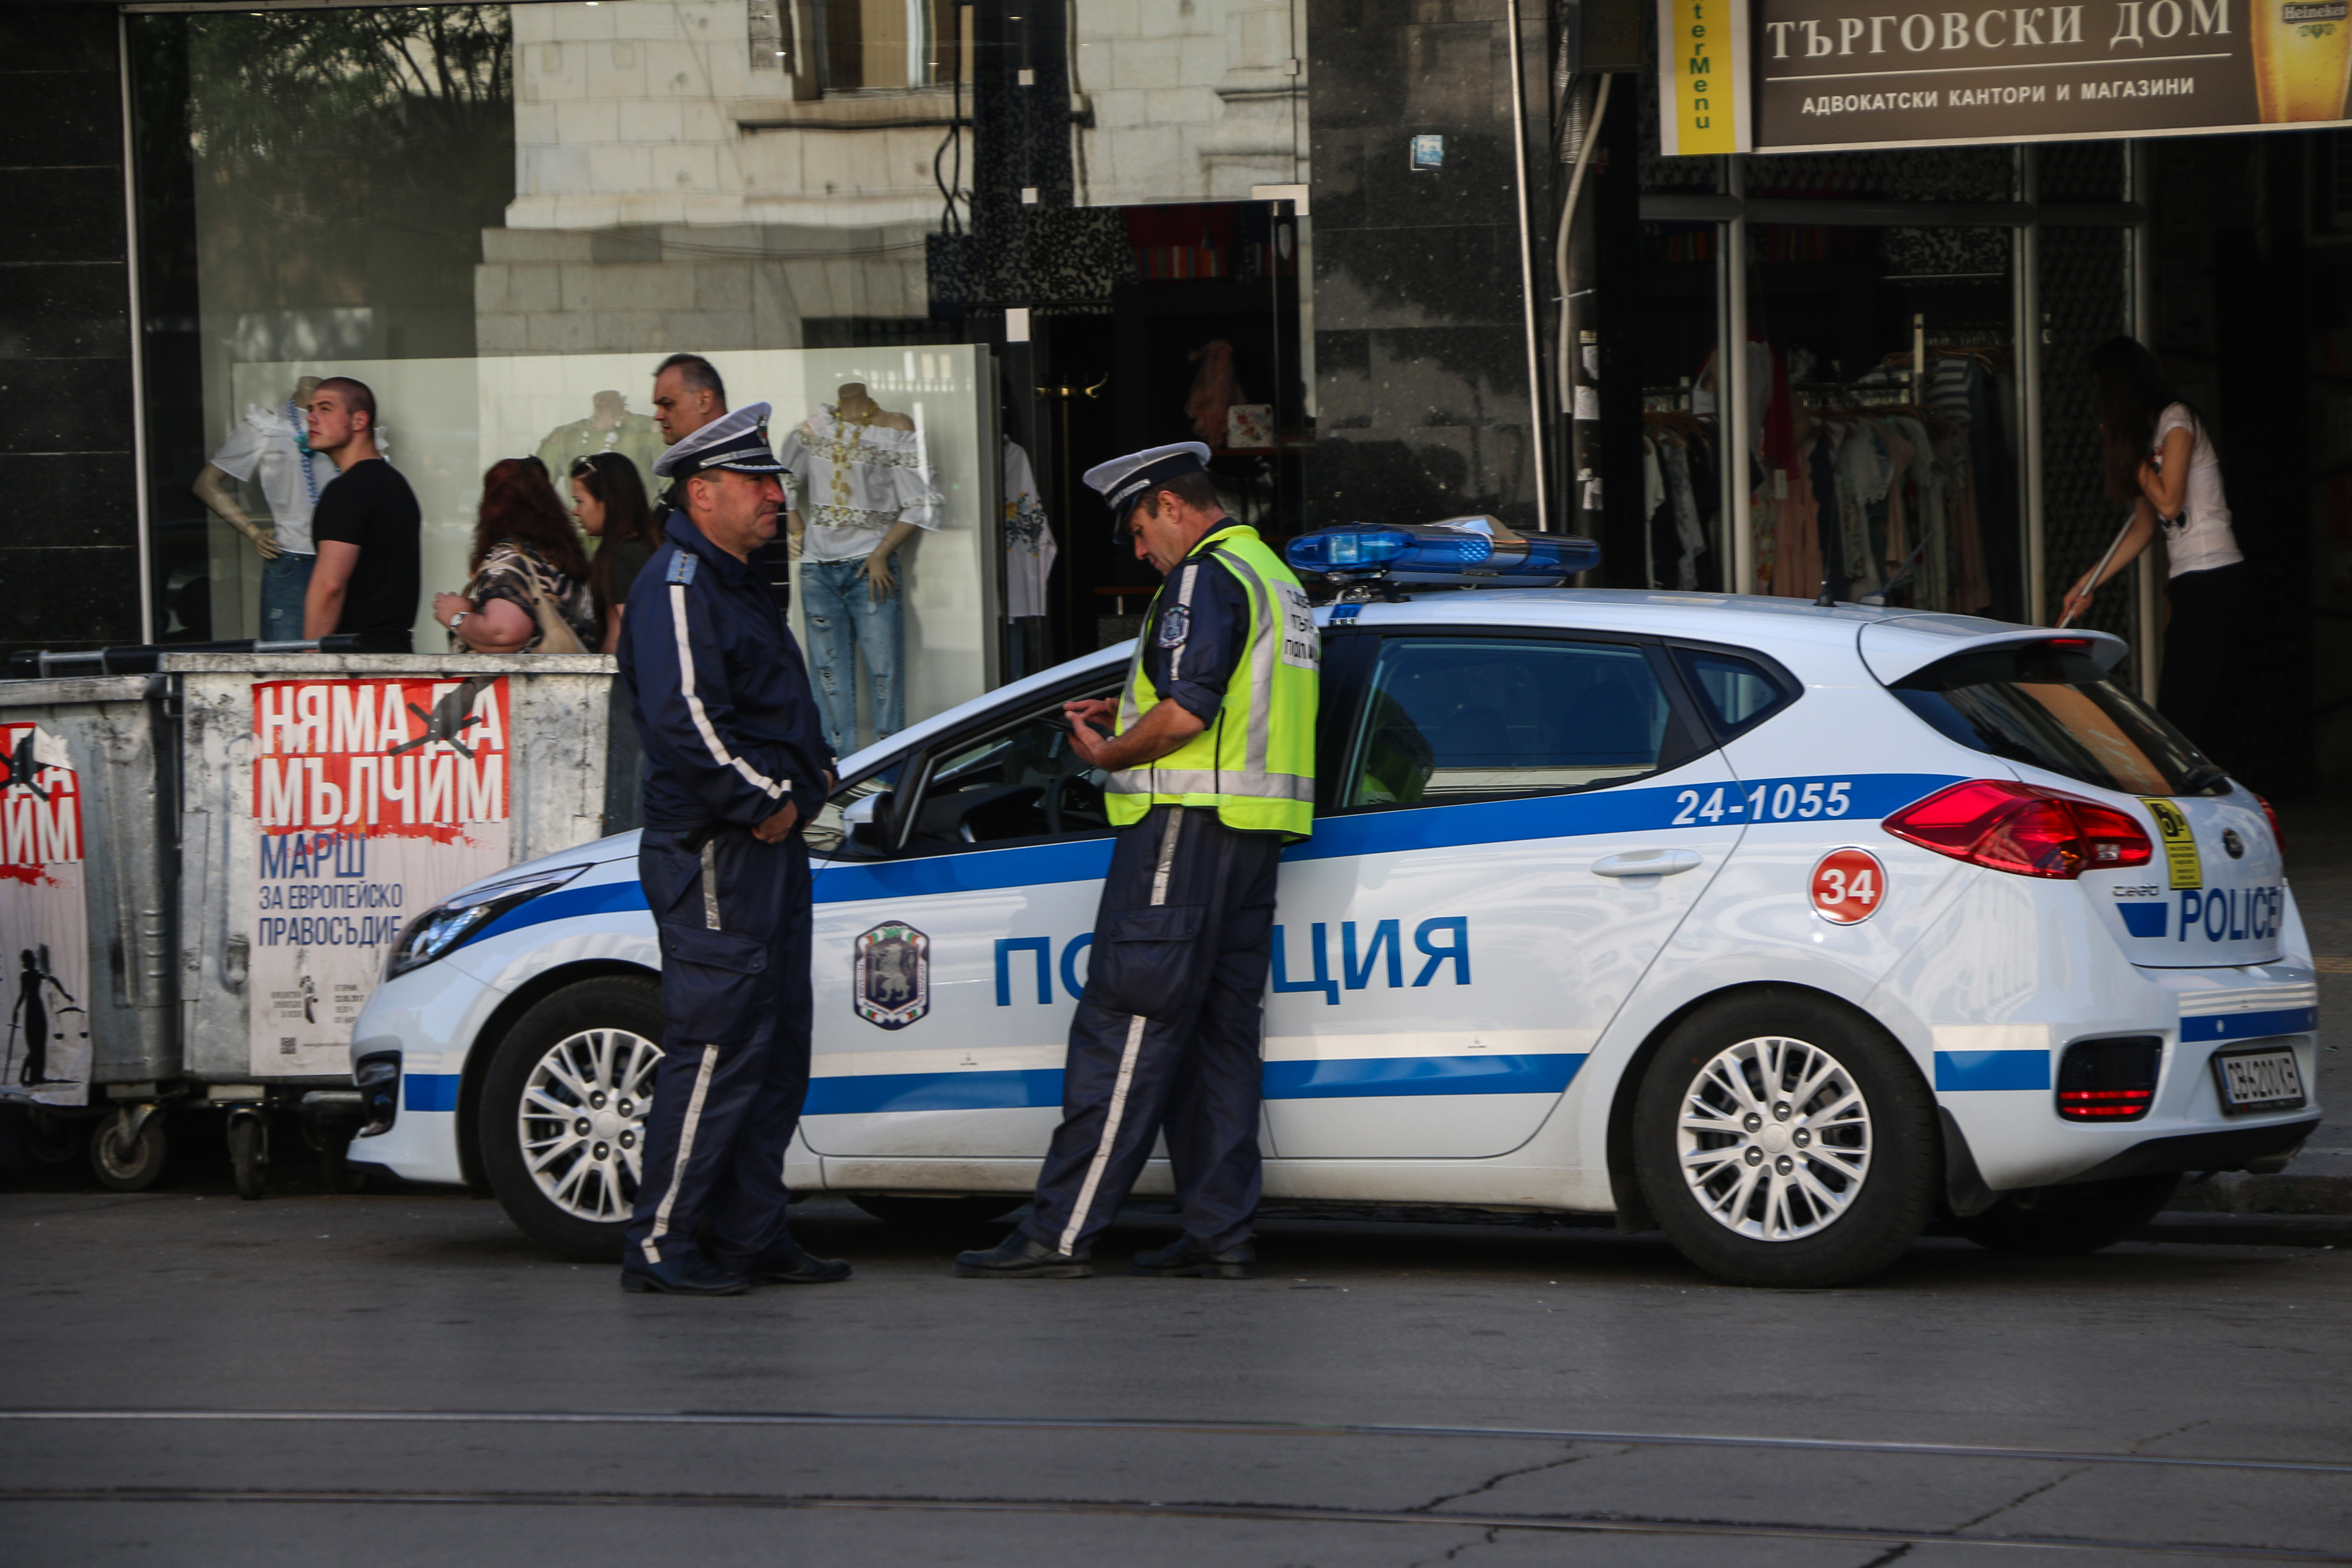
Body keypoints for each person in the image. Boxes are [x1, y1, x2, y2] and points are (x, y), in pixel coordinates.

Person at [955, 443, 1320, 1282]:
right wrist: (1124, 706)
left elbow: (1190, 713)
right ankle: (1219, 1234)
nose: (1136, 547)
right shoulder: (1274, 577)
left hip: (1184, 831)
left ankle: (1060, 1231)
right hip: (1251, 836)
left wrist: (1112, 752)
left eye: (1136, 525)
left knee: (1127, 1029)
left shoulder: (1202, 574)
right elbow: (1229, 700)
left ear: (1167, 505)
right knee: (1218, 1044)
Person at [613, 403, 847, 1296]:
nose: (774, 499)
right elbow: (685, 723)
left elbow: (773, 700)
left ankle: (753, 1234)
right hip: (720, 845)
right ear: (702, 492)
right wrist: (765, 803)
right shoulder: (678, 585)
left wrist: (811, 775)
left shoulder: (737, 578)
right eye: (757, 486)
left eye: (774, 485)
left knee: (774, 1045)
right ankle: (663, 1242)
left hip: (766, 843)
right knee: (716, 1044)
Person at [2061, 338, 2250, 750]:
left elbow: (2168, 502)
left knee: (2185, 714)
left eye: (2103, 392)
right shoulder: (2149, 442)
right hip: (2191, 582)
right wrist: (2086, 585)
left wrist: (2130, 455)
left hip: (2214, 575)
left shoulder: (2178, 420)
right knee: (2188, 709)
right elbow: (2143, 529)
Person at [192, 375, 330, 641]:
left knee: (347, 665)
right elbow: (206, 484)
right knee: (285, 665)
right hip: (292, 559)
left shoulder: (344, 423)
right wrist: (253, 532)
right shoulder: (267, 424)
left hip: (345, 558)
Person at [650, 352, 790, 613]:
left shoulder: (742, 477)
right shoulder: (693, 472)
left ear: (704, 400)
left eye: (668, 404)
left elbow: (769, 580)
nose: (658, 416)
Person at [431, 459, 600, 654]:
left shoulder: (509, 556)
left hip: (530, 683)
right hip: (581, 681)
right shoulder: (564, 558)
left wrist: (457, 618)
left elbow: (505, 632)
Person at [303, 377, 421, 647]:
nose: (311, 418)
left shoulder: (348, 490)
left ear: (360, 421)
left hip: (354, 662)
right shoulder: (396, 484)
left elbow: (330, 586)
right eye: (311, 409)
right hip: (396, 652)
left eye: (325, 408)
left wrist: (309, 662)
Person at [571, 453, 661, 653]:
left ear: (606, 502)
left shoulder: (619, 557)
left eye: (580, 501)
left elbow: (621, 635)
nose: (575, 511)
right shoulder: (652, 545)